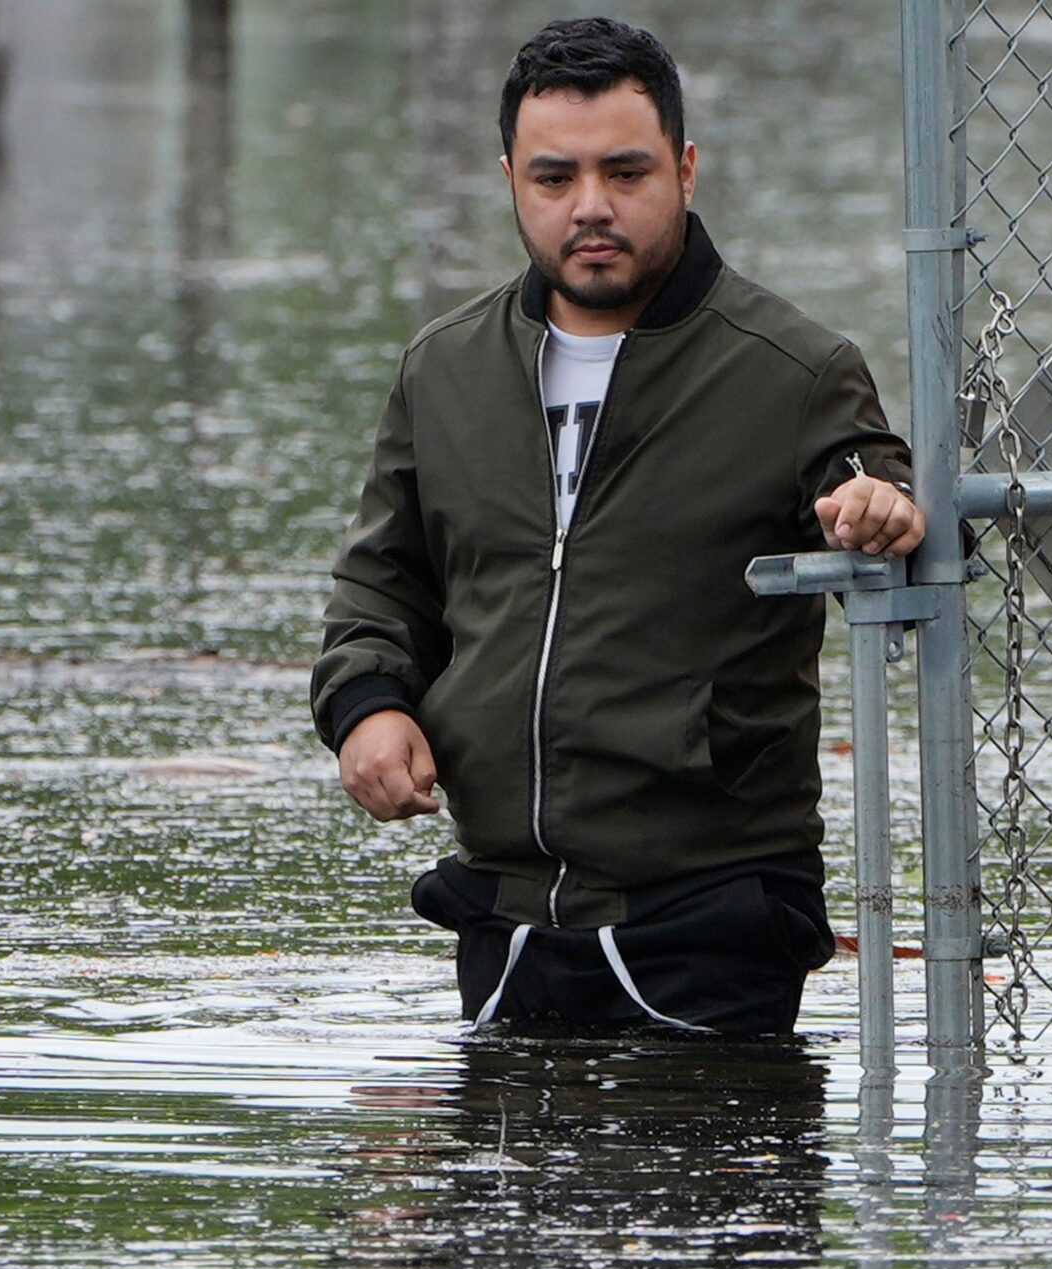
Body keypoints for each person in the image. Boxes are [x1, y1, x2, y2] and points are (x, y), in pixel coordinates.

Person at [310, 17, 925, 1035]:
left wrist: (875, 505)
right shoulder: (444, 368)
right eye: (555, 178)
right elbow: (385, 582)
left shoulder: (793, 367)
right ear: (510, 176)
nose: (591, 207)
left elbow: (865, 473)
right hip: (503, 917)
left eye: (625, 172)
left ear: (684, 168)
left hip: (714, 919)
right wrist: (366, 707)